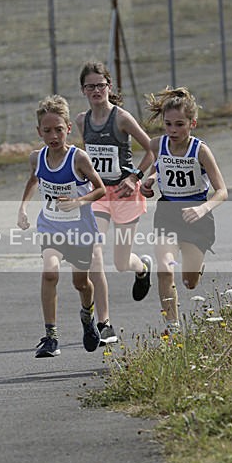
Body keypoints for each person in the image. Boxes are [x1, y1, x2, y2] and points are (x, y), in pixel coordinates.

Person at [17, 94, 106, 359]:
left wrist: (78, 201)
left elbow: (100, 190)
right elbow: (34, 180)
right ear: (39, 132)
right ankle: (51, 336)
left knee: (81, 282)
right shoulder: (37, 158)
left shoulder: (78, 159)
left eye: (59, 129)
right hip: (51, 226)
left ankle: (87, 315)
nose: (54, 136)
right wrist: (22, 208)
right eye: (47, 131)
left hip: (80, 228)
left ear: (68, 128)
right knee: (50, 274)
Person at [75, 60, 154, 345]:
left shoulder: (121, 118)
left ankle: (142, 268)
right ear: (83, 90)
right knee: (94, 254)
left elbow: (152, 149)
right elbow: (86, 159)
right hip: (98, 195)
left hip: (124, 194)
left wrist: (135, 177)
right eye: (90, 86)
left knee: (121, 262)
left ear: (109, 87)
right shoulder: (81, 121)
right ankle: (104, 323)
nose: (96, 90)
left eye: (101, 85)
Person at [140, 86, 228, 334]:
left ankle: (196, 268)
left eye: (179, 124)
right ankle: (173, 326)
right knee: (165, 268)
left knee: (189, 282)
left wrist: (202, 209)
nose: (173, 130)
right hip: (167, 212)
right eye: (168, 124)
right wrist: (148, 182)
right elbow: (159, 168)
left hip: (196, 215)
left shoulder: (200, 150)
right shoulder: (158, 145)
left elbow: (222, 191)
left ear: (192, 123)